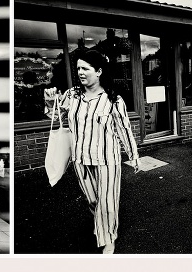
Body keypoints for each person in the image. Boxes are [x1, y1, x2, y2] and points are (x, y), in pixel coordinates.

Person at [45, 49, 141, 254]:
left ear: (98, 71)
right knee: (92, 200)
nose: (80, 72)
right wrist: (49, 101)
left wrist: (133, 155)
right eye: (78, 68)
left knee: (107, 201)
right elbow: (55, 115)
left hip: (107, 159)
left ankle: (109, 238)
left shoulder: (114, 100)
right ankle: (104, 223)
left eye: (85, 68)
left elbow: (124, 129)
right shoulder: (72, 95)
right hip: (80, 159)